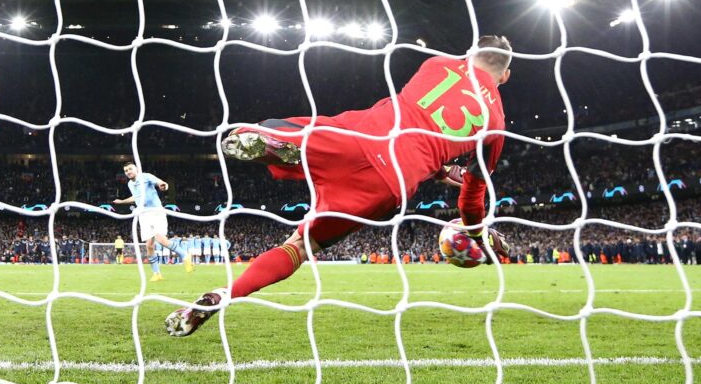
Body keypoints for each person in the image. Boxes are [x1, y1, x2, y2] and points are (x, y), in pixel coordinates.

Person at [166, 35, 513, 336]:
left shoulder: (437, 64)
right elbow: (471, 197)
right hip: (390, 182)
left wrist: (438, 166)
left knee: (267, 130)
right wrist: (478, 235)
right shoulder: (496, 122)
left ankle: (273, 143)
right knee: (300, 247)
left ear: (469, 55)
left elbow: (422, 116)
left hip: (360, 136)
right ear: (506, 75)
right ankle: (223, 295)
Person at [113, 162, 194, 281]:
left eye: (130, 169)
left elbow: (162, 183)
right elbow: (136, 197)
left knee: (161, 239)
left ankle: (185, 255)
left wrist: (163, 186)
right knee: (149, 246)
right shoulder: (130, 183)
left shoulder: (146, 176)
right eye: (126, 171)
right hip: (143, 214)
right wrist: (121, 201)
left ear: (136, 169)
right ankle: (157, 273)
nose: (128, 172)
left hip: (156, 211)